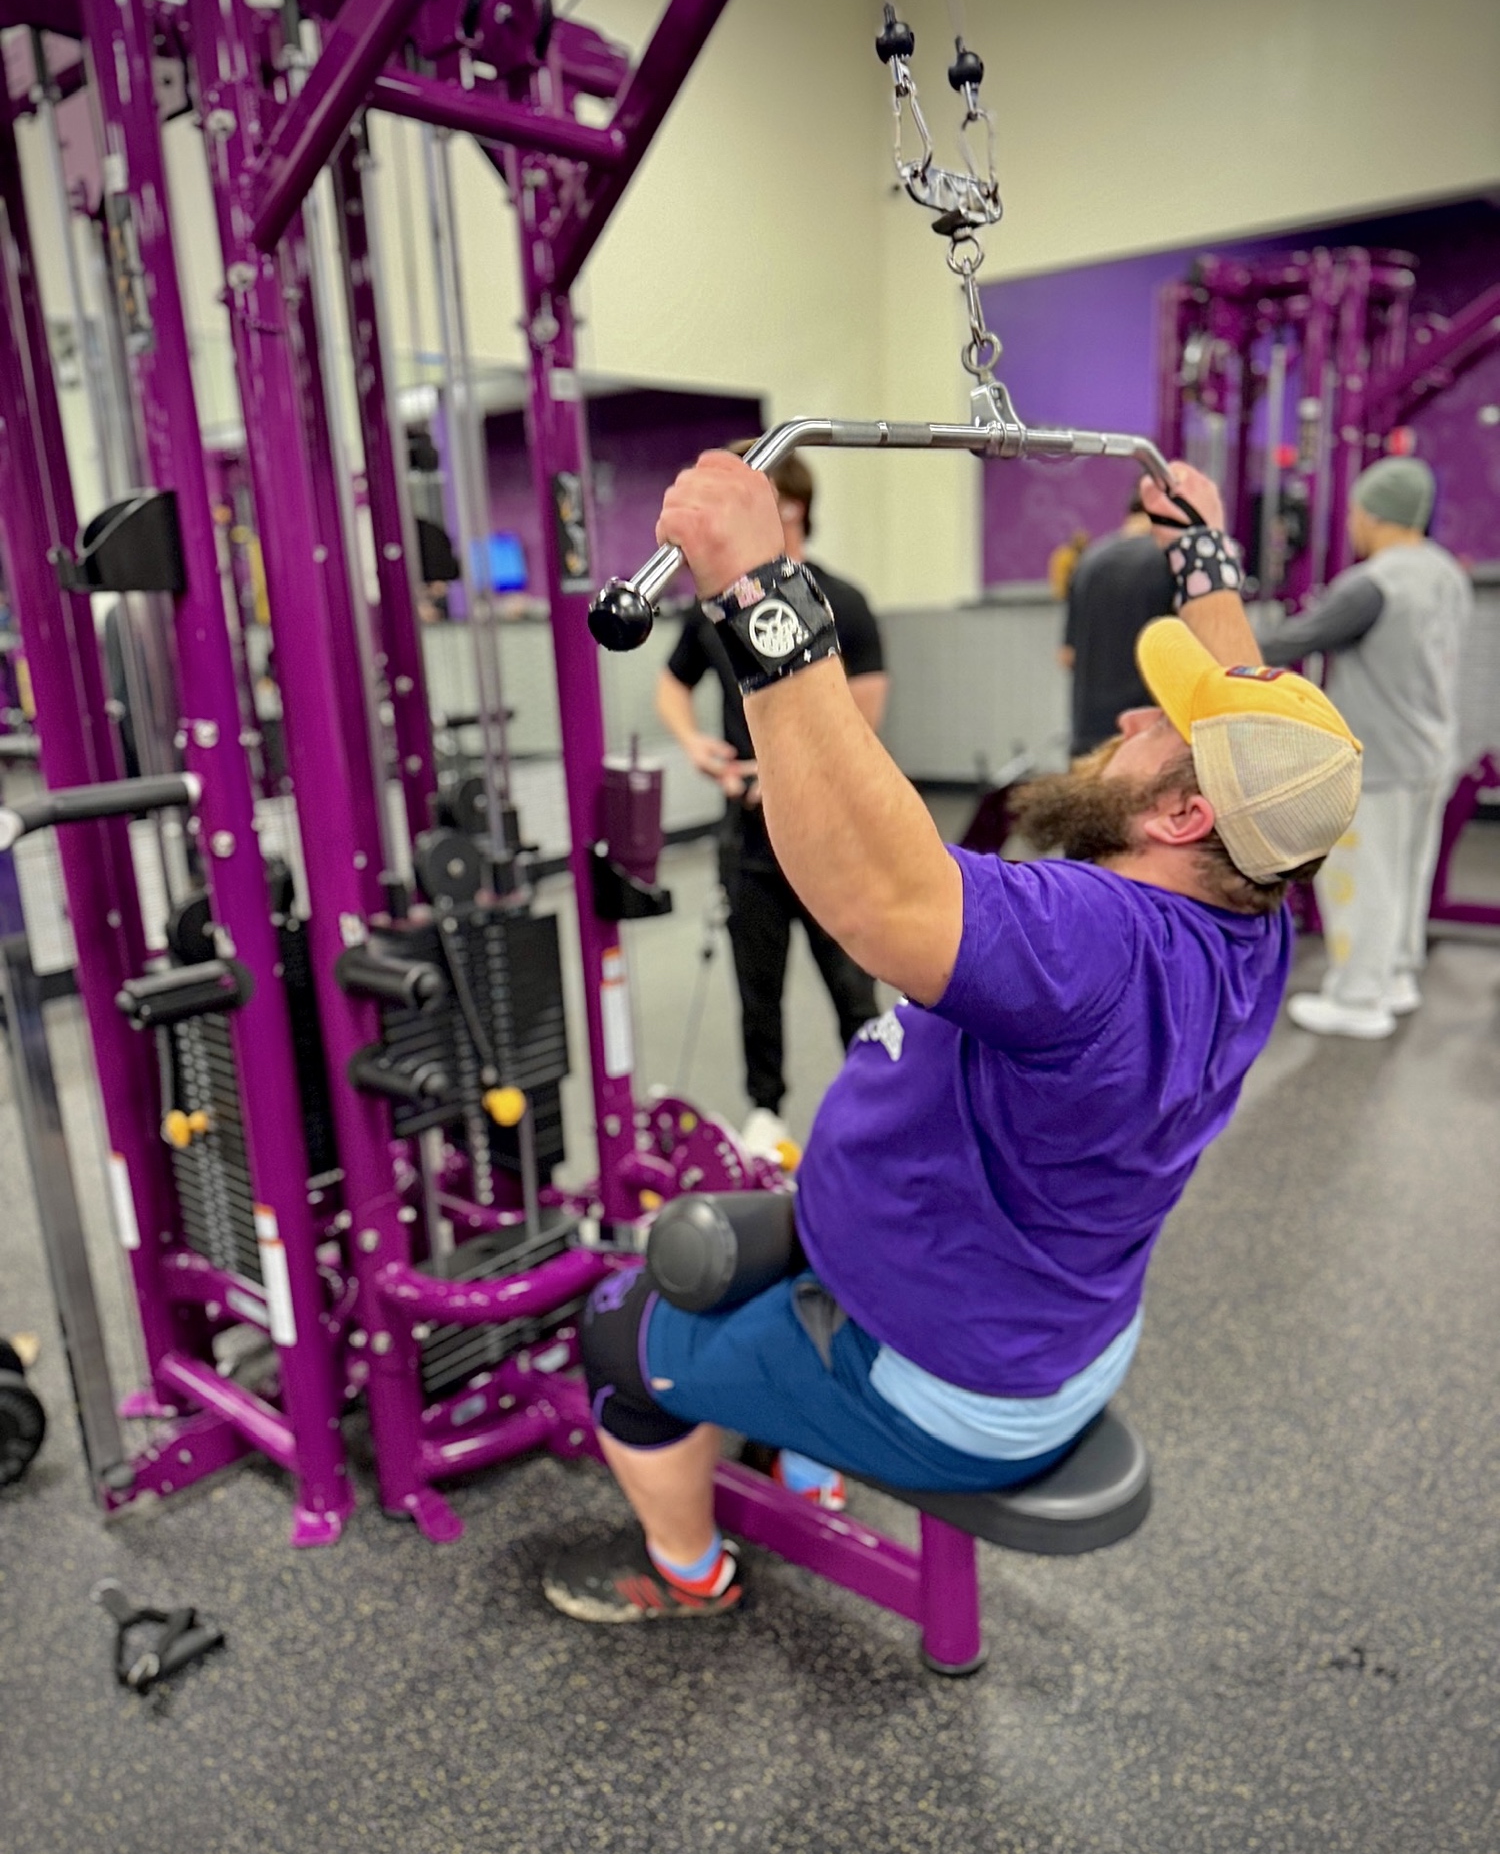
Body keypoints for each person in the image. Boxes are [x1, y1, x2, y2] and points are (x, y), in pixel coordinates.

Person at [543, 454, 1363, 1624]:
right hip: (1039, 1329)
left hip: (938, 1374)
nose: (1130, 717)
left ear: (1184, 813)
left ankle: (688, 1573)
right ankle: (808, 1457)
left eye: (1159, 727)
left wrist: (758, 595)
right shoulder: (1258, 906)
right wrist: (1202, 556)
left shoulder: (1091, 939)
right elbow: (1251, 720)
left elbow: (875, 893)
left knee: (619, 1331)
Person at [655, 447, 888, 1157]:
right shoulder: (715, 613)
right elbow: (672, 684)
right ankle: (765, 1113)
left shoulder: (843, 601)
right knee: (758, 989)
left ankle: (882, 1115)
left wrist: (791, 774)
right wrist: (695, 745)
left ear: (792, 511)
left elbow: (864, 719)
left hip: (829, 836)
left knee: (853, 987)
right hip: (748, 838)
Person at [1256, 456, 1472, 1039]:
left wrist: (1216, 635)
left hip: (1377, 759)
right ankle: (1396, 976)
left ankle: (1357, 999)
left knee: (1364, 878)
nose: (1351, 522)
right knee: (1406, 875)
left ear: (1374, 514)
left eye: (1354, 511)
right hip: (1431, 752)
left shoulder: (1372, 583)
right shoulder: (1446, 574)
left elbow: (1292, 641)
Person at [1059, 488, 1175, 756]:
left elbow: (1067, 656)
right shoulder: (1171, 561)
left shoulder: (1087, 562)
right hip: (1145, 734)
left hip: (1088, 734)